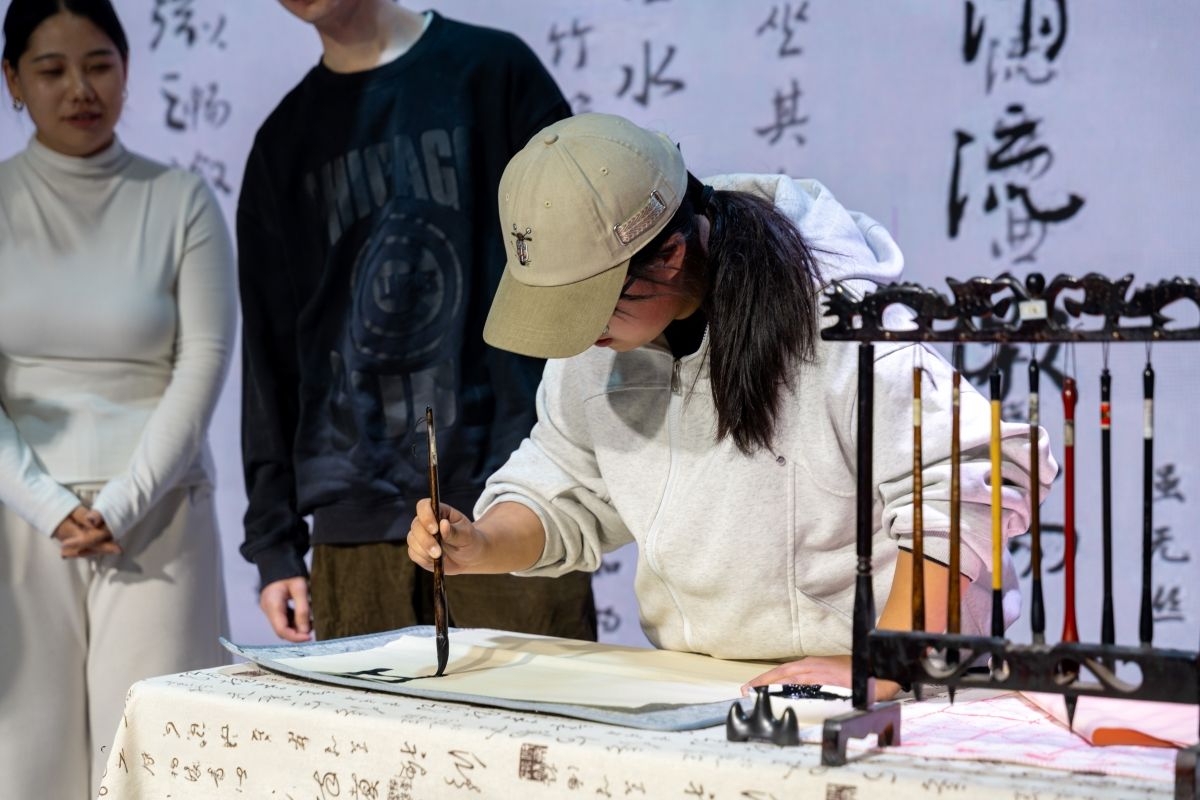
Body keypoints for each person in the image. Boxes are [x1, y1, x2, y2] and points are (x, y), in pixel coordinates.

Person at [407, 113, 1058, 695]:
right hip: (713, 687)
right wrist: (480, 543)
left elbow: (971, 474)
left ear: (669, 256)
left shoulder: (840, 324)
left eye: (590, 302)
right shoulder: (597, 347)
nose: (577, 330)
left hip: (894, 692)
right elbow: (566, 481)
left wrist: (886, 659)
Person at [238, 0, 596, 643]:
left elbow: (583, 261)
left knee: (541, 709)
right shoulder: (283, 141)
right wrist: (274, 543)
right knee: (366, 712)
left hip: (514, 494)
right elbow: (270, 354)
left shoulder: (494, 72)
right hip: (355, 514)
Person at [0, 0, 235, 796]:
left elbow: (203, 360)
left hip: (158, 516)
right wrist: (44, 503)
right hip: (18, 519)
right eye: (52, 70)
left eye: (99, 65)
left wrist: (126, 501)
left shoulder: (181, 198)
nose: (80, 89)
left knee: (154, 768)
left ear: (127, 71)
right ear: (12, 81)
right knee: (23, 766)